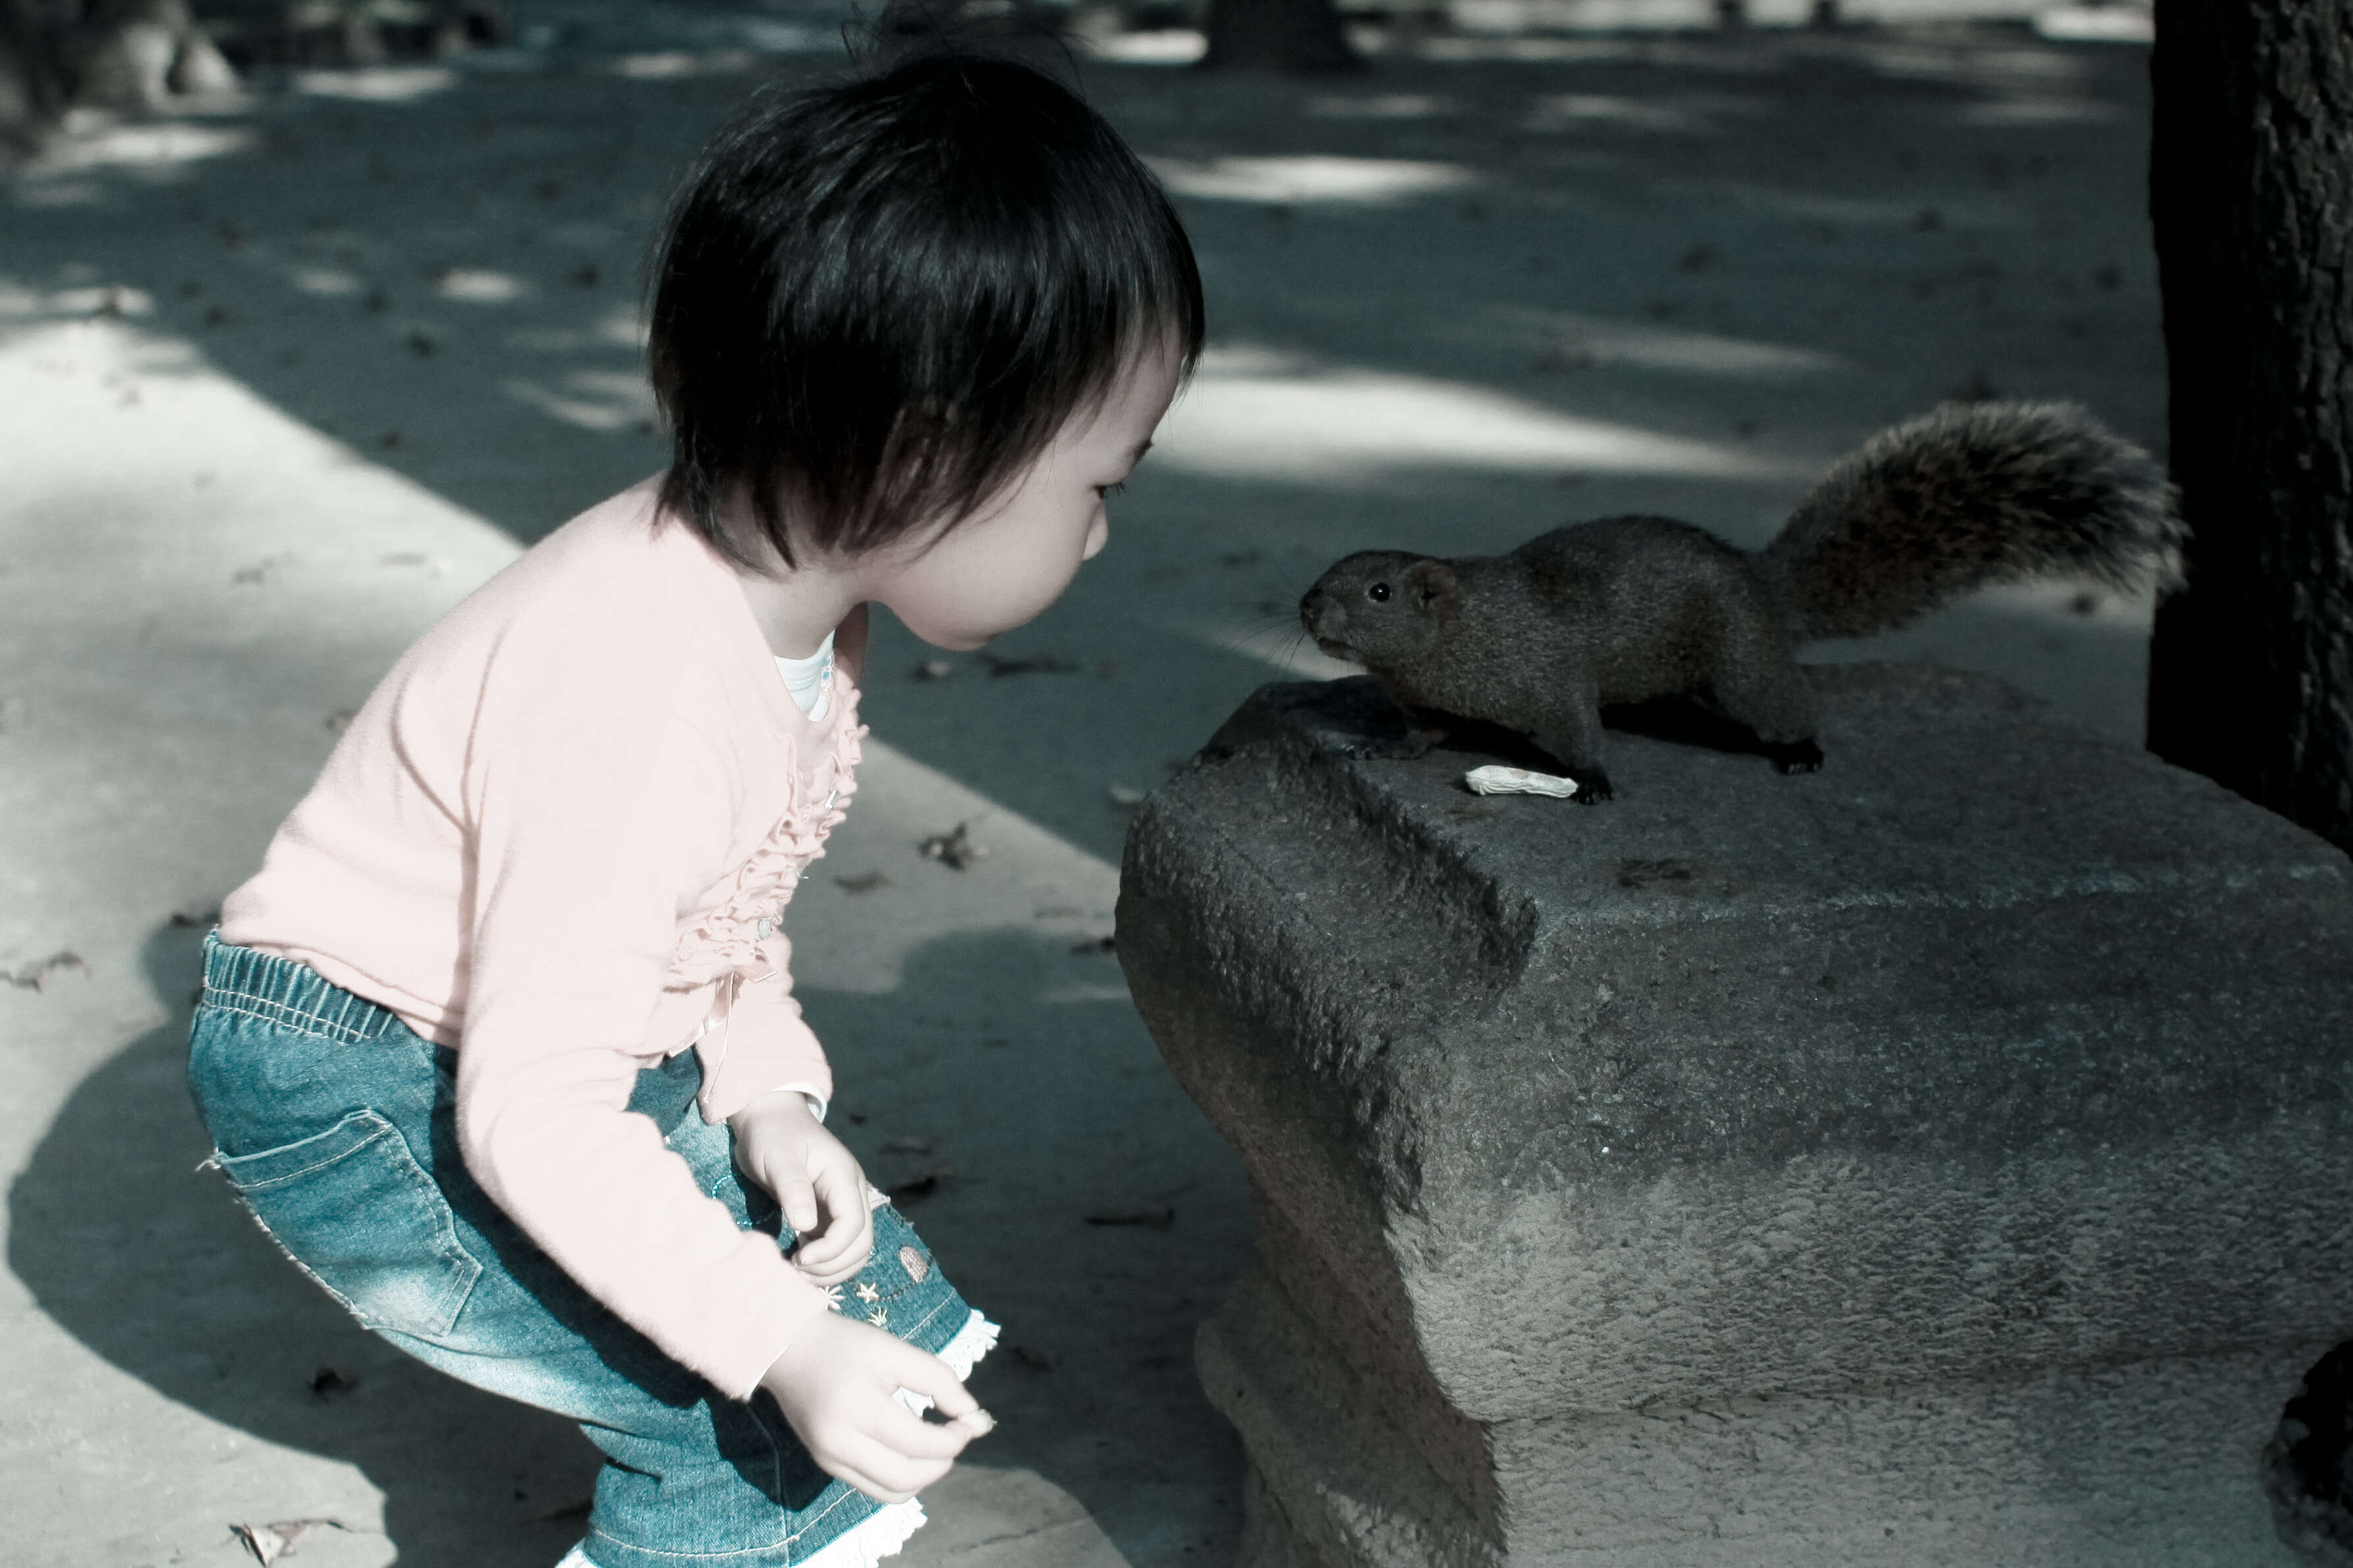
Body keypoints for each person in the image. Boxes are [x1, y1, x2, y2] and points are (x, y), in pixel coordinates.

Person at [184, 44, 1202, 1568]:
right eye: (1100, 484)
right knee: (738, 1417)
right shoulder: (641, 695)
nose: (1106, 534)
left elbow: (722, 905)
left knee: (842, 1285)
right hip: (363, 1076)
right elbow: (532, 1110)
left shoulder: (789, 596)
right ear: (929, 453)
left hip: (507, 1023)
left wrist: (762, 1089)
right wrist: (775, 1350)